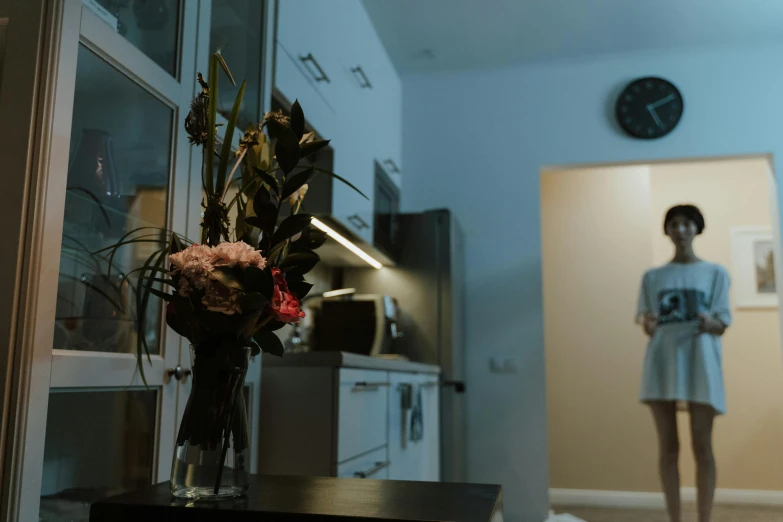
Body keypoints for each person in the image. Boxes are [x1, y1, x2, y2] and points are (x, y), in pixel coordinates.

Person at [636, 204, 731, 522]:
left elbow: (722, 323)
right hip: (663, 362)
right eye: (674, 224)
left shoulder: (715, 272)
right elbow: (648, 321)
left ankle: (705, 517)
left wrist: (708, 321)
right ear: (667, 230)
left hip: (700, 362)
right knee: (668, 447)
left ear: (697, 229)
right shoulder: (653, 276)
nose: (680, 230)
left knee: (702, 446)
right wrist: (649, 325)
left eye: (687, 224)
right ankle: (674, 518)